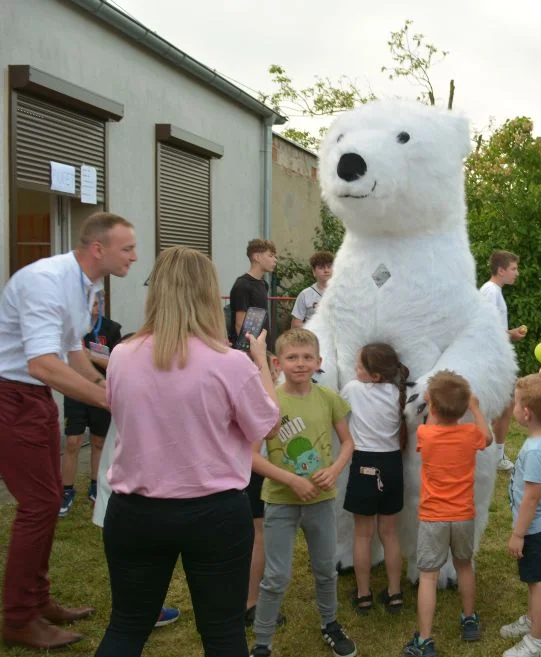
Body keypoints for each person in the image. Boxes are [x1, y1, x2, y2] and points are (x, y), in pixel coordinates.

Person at [94, 245, 280, 657]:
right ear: (208, 296)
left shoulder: (122, 356)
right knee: (223, 634)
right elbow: (267, 424)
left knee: (126, 627)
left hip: (136, 510)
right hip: (214, 513)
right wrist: (260, 360)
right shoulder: (229, 363)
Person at [0, 212, 136, 650]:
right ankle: (18, 618)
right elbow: (42, 362)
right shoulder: (46, 281)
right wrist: (108, 400)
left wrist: (111, 383)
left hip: (34, 398)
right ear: (99, 248)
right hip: (11, 396)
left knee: (44, 502)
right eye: (127, 248)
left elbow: (73, 350)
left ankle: (37, 600)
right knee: (40, 504)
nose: (134, 256)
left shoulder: (87, 286)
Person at [249, 328, 356, 657]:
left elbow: (348, 443)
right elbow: (250, 457)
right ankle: (262, 642)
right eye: (292, 357)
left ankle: (330, 623)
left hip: (322, 503)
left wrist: (335, 470)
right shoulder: (269, 401)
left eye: (307, 357)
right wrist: (292, 480)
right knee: (276, 577)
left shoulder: (328, 398)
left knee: (325, 569)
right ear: (277, 363)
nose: (300, 363)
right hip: (281, 502)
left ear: (319, 361)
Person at [90, 332, 181, 634]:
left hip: (124, 483)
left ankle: (139, 609)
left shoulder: (125, 380)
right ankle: (140, 610)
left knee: (130, 556)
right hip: (128, 483)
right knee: (135, 560)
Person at [403, 371, 491, 657]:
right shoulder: (470, 434)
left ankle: (425, 640)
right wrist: (475, 408)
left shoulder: (425, 435)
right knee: (464, 566)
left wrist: (430, 400)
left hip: (433, 517)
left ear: (432, 406)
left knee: (428, 576)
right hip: (464, 515)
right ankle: (469, 619)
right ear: (464, 408)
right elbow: (487, 437)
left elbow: (430, 420)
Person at [229, 237, 278, 624]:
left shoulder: (265, 286)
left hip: (263, 361)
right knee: (252, 525)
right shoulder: (244, 285)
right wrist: (254, 360)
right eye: (271, 254)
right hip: (249, 360)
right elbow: (242, 327)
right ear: (256, 256)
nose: (275, 259)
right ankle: (246, 600)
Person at [341, 343, 409, 615]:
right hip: (392, 464)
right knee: (390, 534)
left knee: (362, 535)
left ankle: (363, 594)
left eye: (359, 366)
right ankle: (394, 592)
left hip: (363, 465)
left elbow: (336, 410)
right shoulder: (398, 393)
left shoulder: (353, 390)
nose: (355, 370)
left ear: (375, 375)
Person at [500, 374, 541, 657]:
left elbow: (532, 497)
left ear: (526, 413)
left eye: (515, 402)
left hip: (534, 528)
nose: (512, 407)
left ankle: (538, 642)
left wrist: (518, 534)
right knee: (534, 578)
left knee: (538, 583)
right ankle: (532, 619)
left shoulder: (535, 451)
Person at [59, 292, 123, 517]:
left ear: (102, 304)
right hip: (75, 391)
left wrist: (92, 356)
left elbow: (116, 361)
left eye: (96, 303)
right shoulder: (73, 327)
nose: (93, 308)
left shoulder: (111, 329)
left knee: (98, 441)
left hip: (100, 391)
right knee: (73, 442)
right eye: (88, 304)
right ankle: (67, 491)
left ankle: (96, 485)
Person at [479, 250, 526, 472]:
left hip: (493, 357)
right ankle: (493, 456)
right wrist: (511, 334)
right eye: (513, 269)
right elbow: (487, 329)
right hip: (491, 359)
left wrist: (509, 333)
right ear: (501, 270)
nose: (517, 273)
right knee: (501, 406)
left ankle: (493, 454)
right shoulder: (491, 291)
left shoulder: (494, 291)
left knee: (503, 406)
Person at [291, 250, 334, 328]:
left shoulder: (342, 293)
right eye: (321, 267)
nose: (326, 270)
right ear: (314, 272)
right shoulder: (305, 295)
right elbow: (295, 324)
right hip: (313, 339)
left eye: (329, 267)